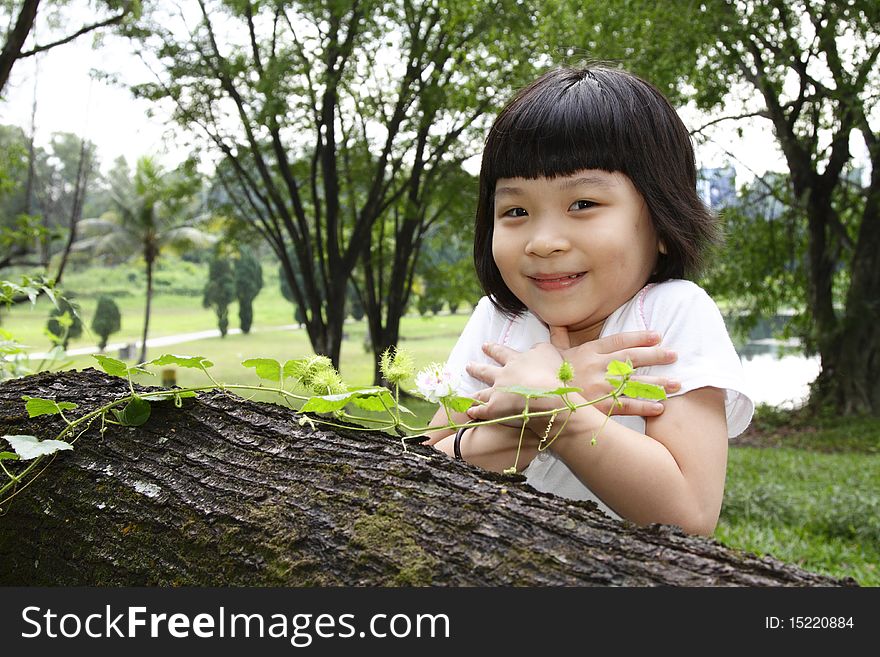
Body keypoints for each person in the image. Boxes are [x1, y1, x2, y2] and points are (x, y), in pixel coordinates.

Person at [425, 65, 753, 536]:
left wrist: (553, 410)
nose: (543, 241)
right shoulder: (499, 320)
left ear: (661, 222)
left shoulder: (671, 315)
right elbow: (421, 468)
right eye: (515, 211)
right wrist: (529, 411)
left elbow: (689, 515)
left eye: (583, 204)